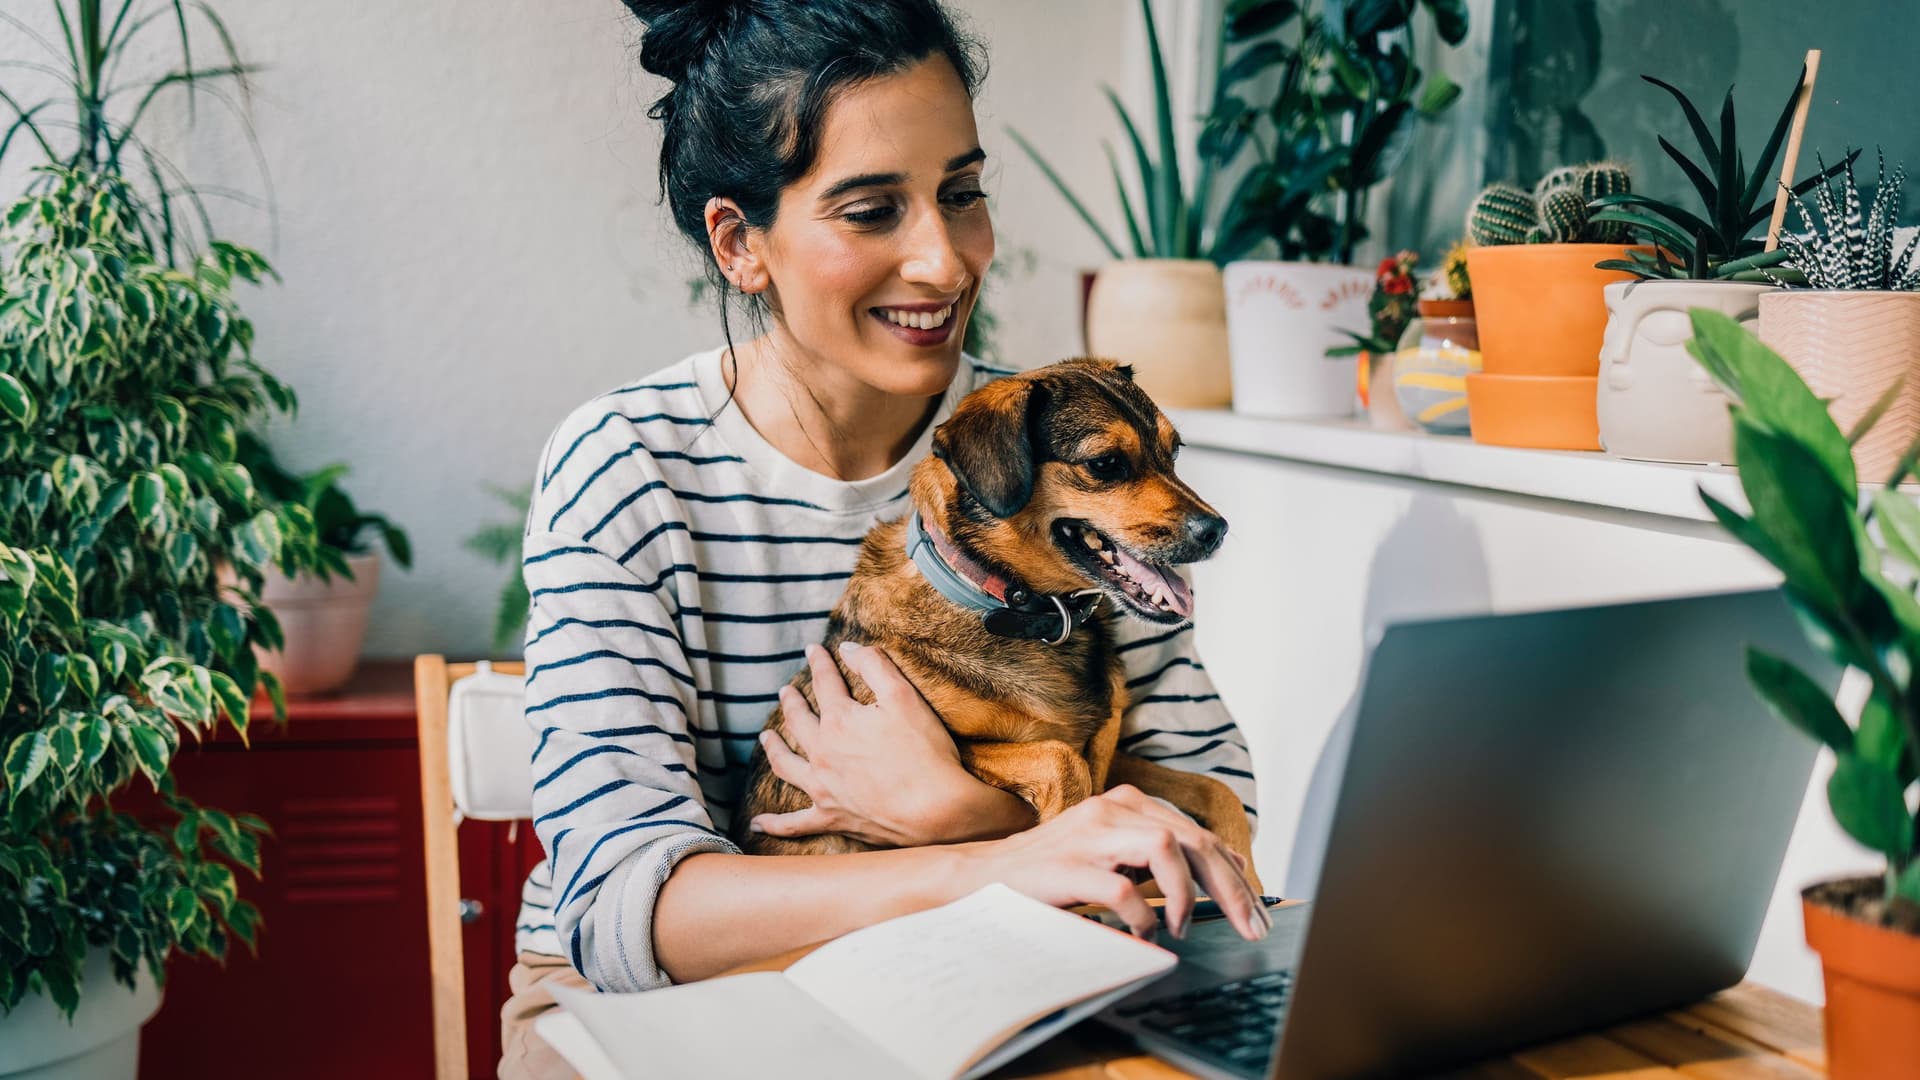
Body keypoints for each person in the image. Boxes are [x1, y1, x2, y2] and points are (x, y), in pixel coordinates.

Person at [499, 2, 1266, 1075]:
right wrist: (989, 856)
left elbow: (1207, 809)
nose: (944, 263)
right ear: (740, 243)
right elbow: (626, 915)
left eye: (962, 194)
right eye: (870, 211)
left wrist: (962, 812)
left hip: (992, 966)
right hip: (670, 1004)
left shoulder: (1059, 450)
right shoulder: (628, 469)